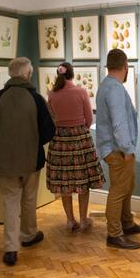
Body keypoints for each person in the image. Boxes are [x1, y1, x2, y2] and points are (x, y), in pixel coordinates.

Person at [0, 57, 55, 266]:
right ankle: (28, 234)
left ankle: (10, 248)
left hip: (5, 161)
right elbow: (49, 131)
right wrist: (33, 142)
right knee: (29, 199)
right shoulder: (36, 99)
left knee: (9, 202)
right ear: (28, 74)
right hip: (31, 160)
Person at [96, 49, 140, 250]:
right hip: (118, 150)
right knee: (118, 191)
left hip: (115, 148)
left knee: (127, 186)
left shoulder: (107, 85)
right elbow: (119, 123)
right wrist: (127, 149)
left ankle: (126, 223)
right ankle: (114, 233)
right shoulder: (115, 89)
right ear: (125, 66)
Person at [46, 62, 105, 232]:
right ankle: (84, 220)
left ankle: (70, 220)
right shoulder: (80, 92)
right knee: (82, 182)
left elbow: (52, 119)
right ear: (71, 75)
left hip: (60, 141)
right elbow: (89, 119)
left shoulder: (52, 94)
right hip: (80, 140)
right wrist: (79, 128)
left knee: (65, 182)